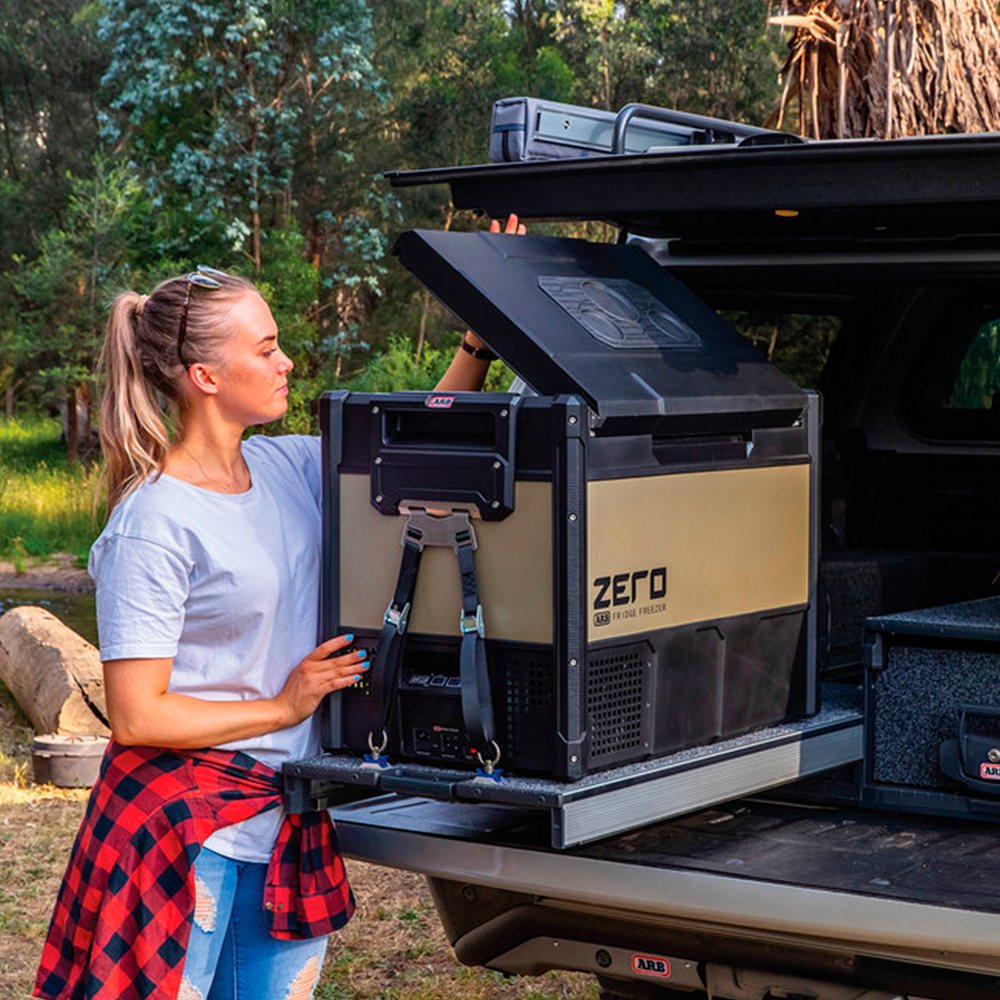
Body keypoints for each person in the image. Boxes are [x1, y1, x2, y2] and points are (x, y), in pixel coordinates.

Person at [34, 214, 523, 1000]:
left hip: (285, 809)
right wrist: (283, 704)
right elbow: (136, 715)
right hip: (185, 833)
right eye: (264, 349)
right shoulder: (155, 522)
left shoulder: (289, 465)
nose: (286, 361)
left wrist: (477, 345)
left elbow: (418, 434)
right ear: (204, 375)